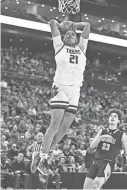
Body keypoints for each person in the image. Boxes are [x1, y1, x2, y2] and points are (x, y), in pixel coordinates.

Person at [37, 19, 90, 174]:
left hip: (75, 90)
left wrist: (74, 25)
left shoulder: (82, 47)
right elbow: (52, 23)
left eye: (73, 34)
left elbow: (87, 26)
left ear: (77, 38)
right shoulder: (59, 46)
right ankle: (43, 158)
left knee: (66, 127)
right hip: (60, 86)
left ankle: (45, 153)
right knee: (55, 124)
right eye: (67, 34)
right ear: (63, 37)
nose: (70, 35)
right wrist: (61, 26)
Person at [83, 108, 127, 190]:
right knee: (87, 188)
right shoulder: (102, 131)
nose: (112, 117)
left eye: (115, 116)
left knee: (96, 185)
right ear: (108, 119)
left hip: (108, 163)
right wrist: (101, 138)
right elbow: (92, 146)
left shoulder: (122, 135)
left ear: (118, 121)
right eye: (111, 116)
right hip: (96, 162)